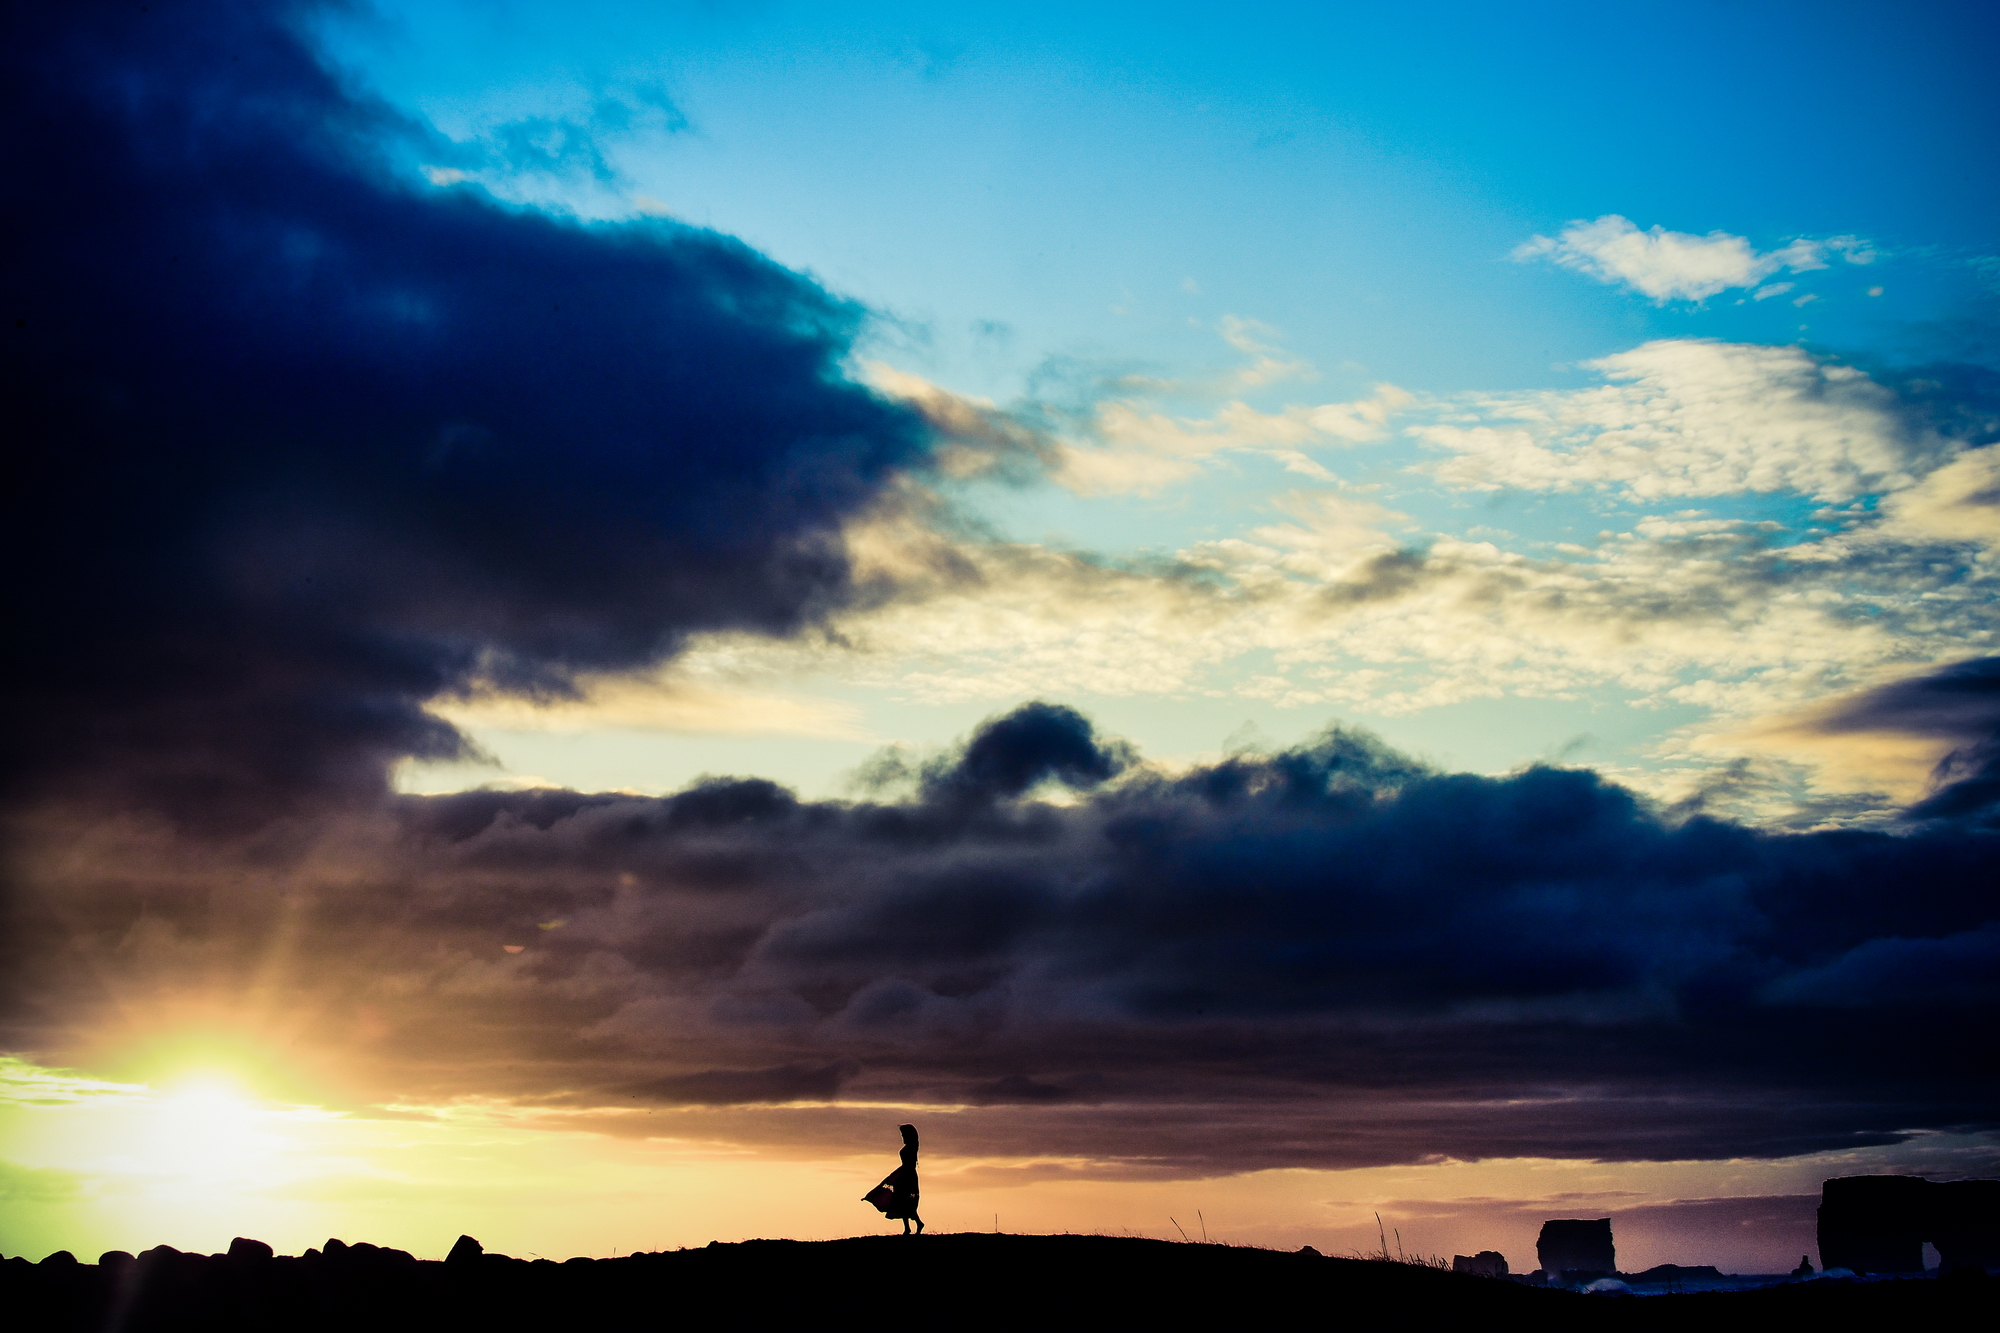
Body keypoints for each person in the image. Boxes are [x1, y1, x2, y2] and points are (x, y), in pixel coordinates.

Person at [876, 1123, 923, 1235]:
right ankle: (908, 1227)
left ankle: (916, 1224)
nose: (902, 1137)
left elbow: (910, 1165)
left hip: (908, 1176)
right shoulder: (909, 1147)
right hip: (903, 1175)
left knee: (905, 1201)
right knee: (900, 1201)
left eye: (904, 1135)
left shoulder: (912, 1147)